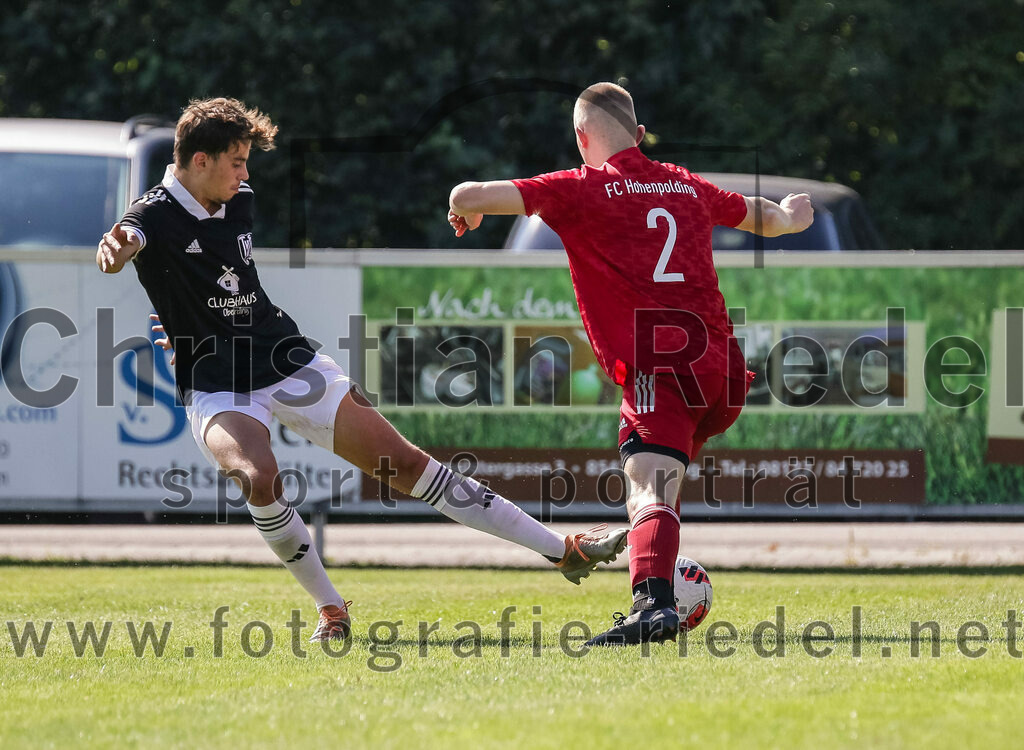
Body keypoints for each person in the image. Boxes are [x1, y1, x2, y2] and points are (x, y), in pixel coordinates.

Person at [96, 97, 628, 643]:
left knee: (404, 464)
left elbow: (216, 285)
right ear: (199, 161)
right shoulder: (152, 212)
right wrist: (118, 249)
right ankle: (332, 609)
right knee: (257, 477)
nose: (246, 173)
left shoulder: (240, 197)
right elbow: (127, 239)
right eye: (236, 160)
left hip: (285, 359)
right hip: (214, 383)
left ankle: (563, 550)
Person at [447, 82, 813, 646]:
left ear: (580, 138)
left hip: (660, 370)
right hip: (720, 372)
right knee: (657, 485)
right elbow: (762, 216)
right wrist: (791, 216)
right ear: (639, 136)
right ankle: (660, 579)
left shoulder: (579, 188)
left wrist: (460, 209)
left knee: (647, 488)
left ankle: (652, 606)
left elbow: (470, 193)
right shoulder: (684, 183)